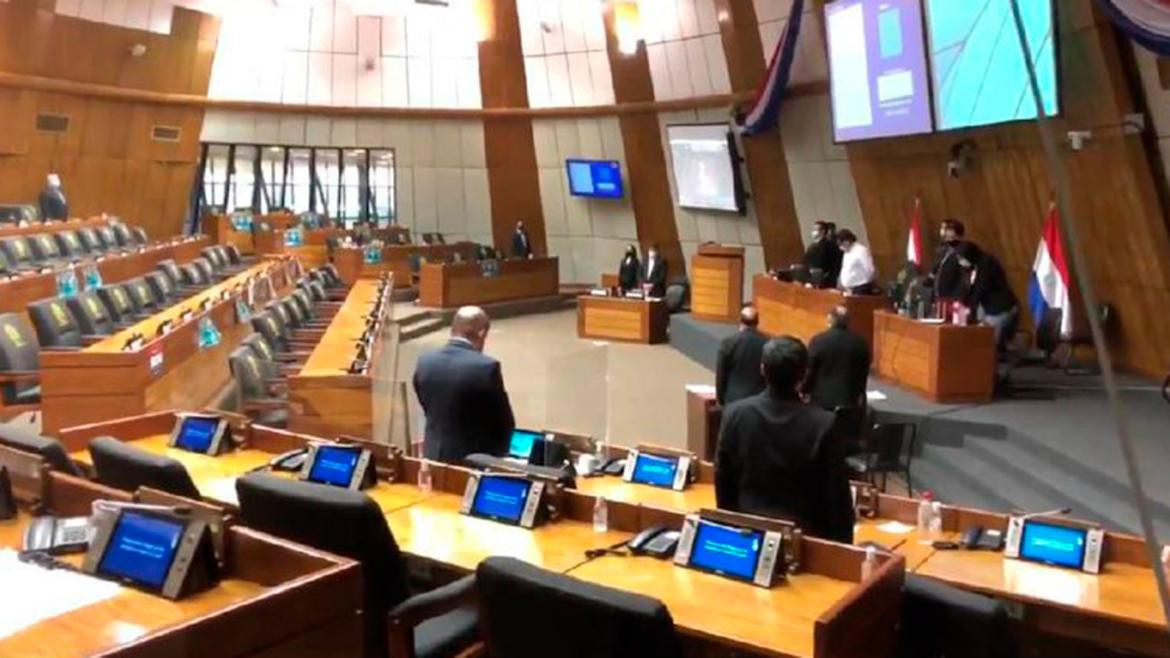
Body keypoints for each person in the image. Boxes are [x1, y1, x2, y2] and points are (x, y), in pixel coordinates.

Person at [715, 336, 854, 543]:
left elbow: (723, 480)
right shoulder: (824, 423)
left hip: (748, 534)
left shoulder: (735, 414)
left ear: (762, 369)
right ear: (804, 373)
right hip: (805, 541)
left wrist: (732, 530)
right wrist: (842, 552)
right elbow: (837, 497)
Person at [413, 306, 515, 464]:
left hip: (432, 456)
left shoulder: (425, 361)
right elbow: (503, 422)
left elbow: (426, 405)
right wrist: (500, 459)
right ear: (482, 333)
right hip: (470, 463)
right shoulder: (486, 367)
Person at [957, 242, 1019, 354]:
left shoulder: (987, 263)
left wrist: (968, 308)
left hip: (1000, 308)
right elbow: (968, 288)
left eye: (962, 259)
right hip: (987, 307)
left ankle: (988, 369)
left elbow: (980, 288)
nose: (961, 262)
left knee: (988, 344)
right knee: (981, 339)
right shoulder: (974, 265)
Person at [805, 306, 871, 411]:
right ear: (848, 322)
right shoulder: (860, 343)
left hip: (821, 403)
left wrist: (804, 390)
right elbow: (863, 373)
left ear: (829, 320)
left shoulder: (818, 341)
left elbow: (810, 370)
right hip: (850, 402)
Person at [715, 305, 767, 406]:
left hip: (734, 400)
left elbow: (721, 374)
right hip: (759, 400)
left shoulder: (728, 343)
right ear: (757, 322)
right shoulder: (767, 344)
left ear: (740, 320)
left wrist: (721, 399)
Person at [931, 219, 967, 300]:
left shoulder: (963, 251)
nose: (942, 232)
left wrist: (955, 298)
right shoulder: (945, 252)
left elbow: (965, 278)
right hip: (941, 299)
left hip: (954, 300)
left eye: (945, 228)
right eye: (942, 228)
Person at [836, 229, 876, 294]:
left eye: (841, 244)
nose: (840, 247)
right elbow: (846, 268)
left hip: (860, 288)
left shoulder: (861, 250)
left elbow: (870, 269)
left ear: (847, 241)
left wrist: (863, 283)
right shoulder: (847, 252)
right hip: (848, 289)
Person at [803, 221, 842, 287]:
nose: (813, 232)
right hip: (812, 277)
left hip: (824, 279)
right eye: (813, 229)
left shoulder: (829, 245)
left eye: (815, 229)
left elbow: (832, 264)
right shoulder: (812, 246)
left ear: (823, 231)